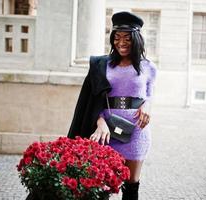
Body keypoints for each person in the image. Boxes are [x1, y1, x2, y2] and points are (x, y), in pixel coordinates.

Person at [68, 11, 156, 200]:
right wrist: (99, 121)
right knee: (99, 183)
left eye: (126, 38)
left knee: (131, 184)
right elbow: (93, 98)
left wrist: (147, 106)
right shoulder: (102, 65)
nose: (121, 42)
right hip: (105, 131)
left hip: (136, 131)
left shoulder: (149, 67)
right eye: (117, 37)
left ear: (136, 39)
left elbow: (149, 94)